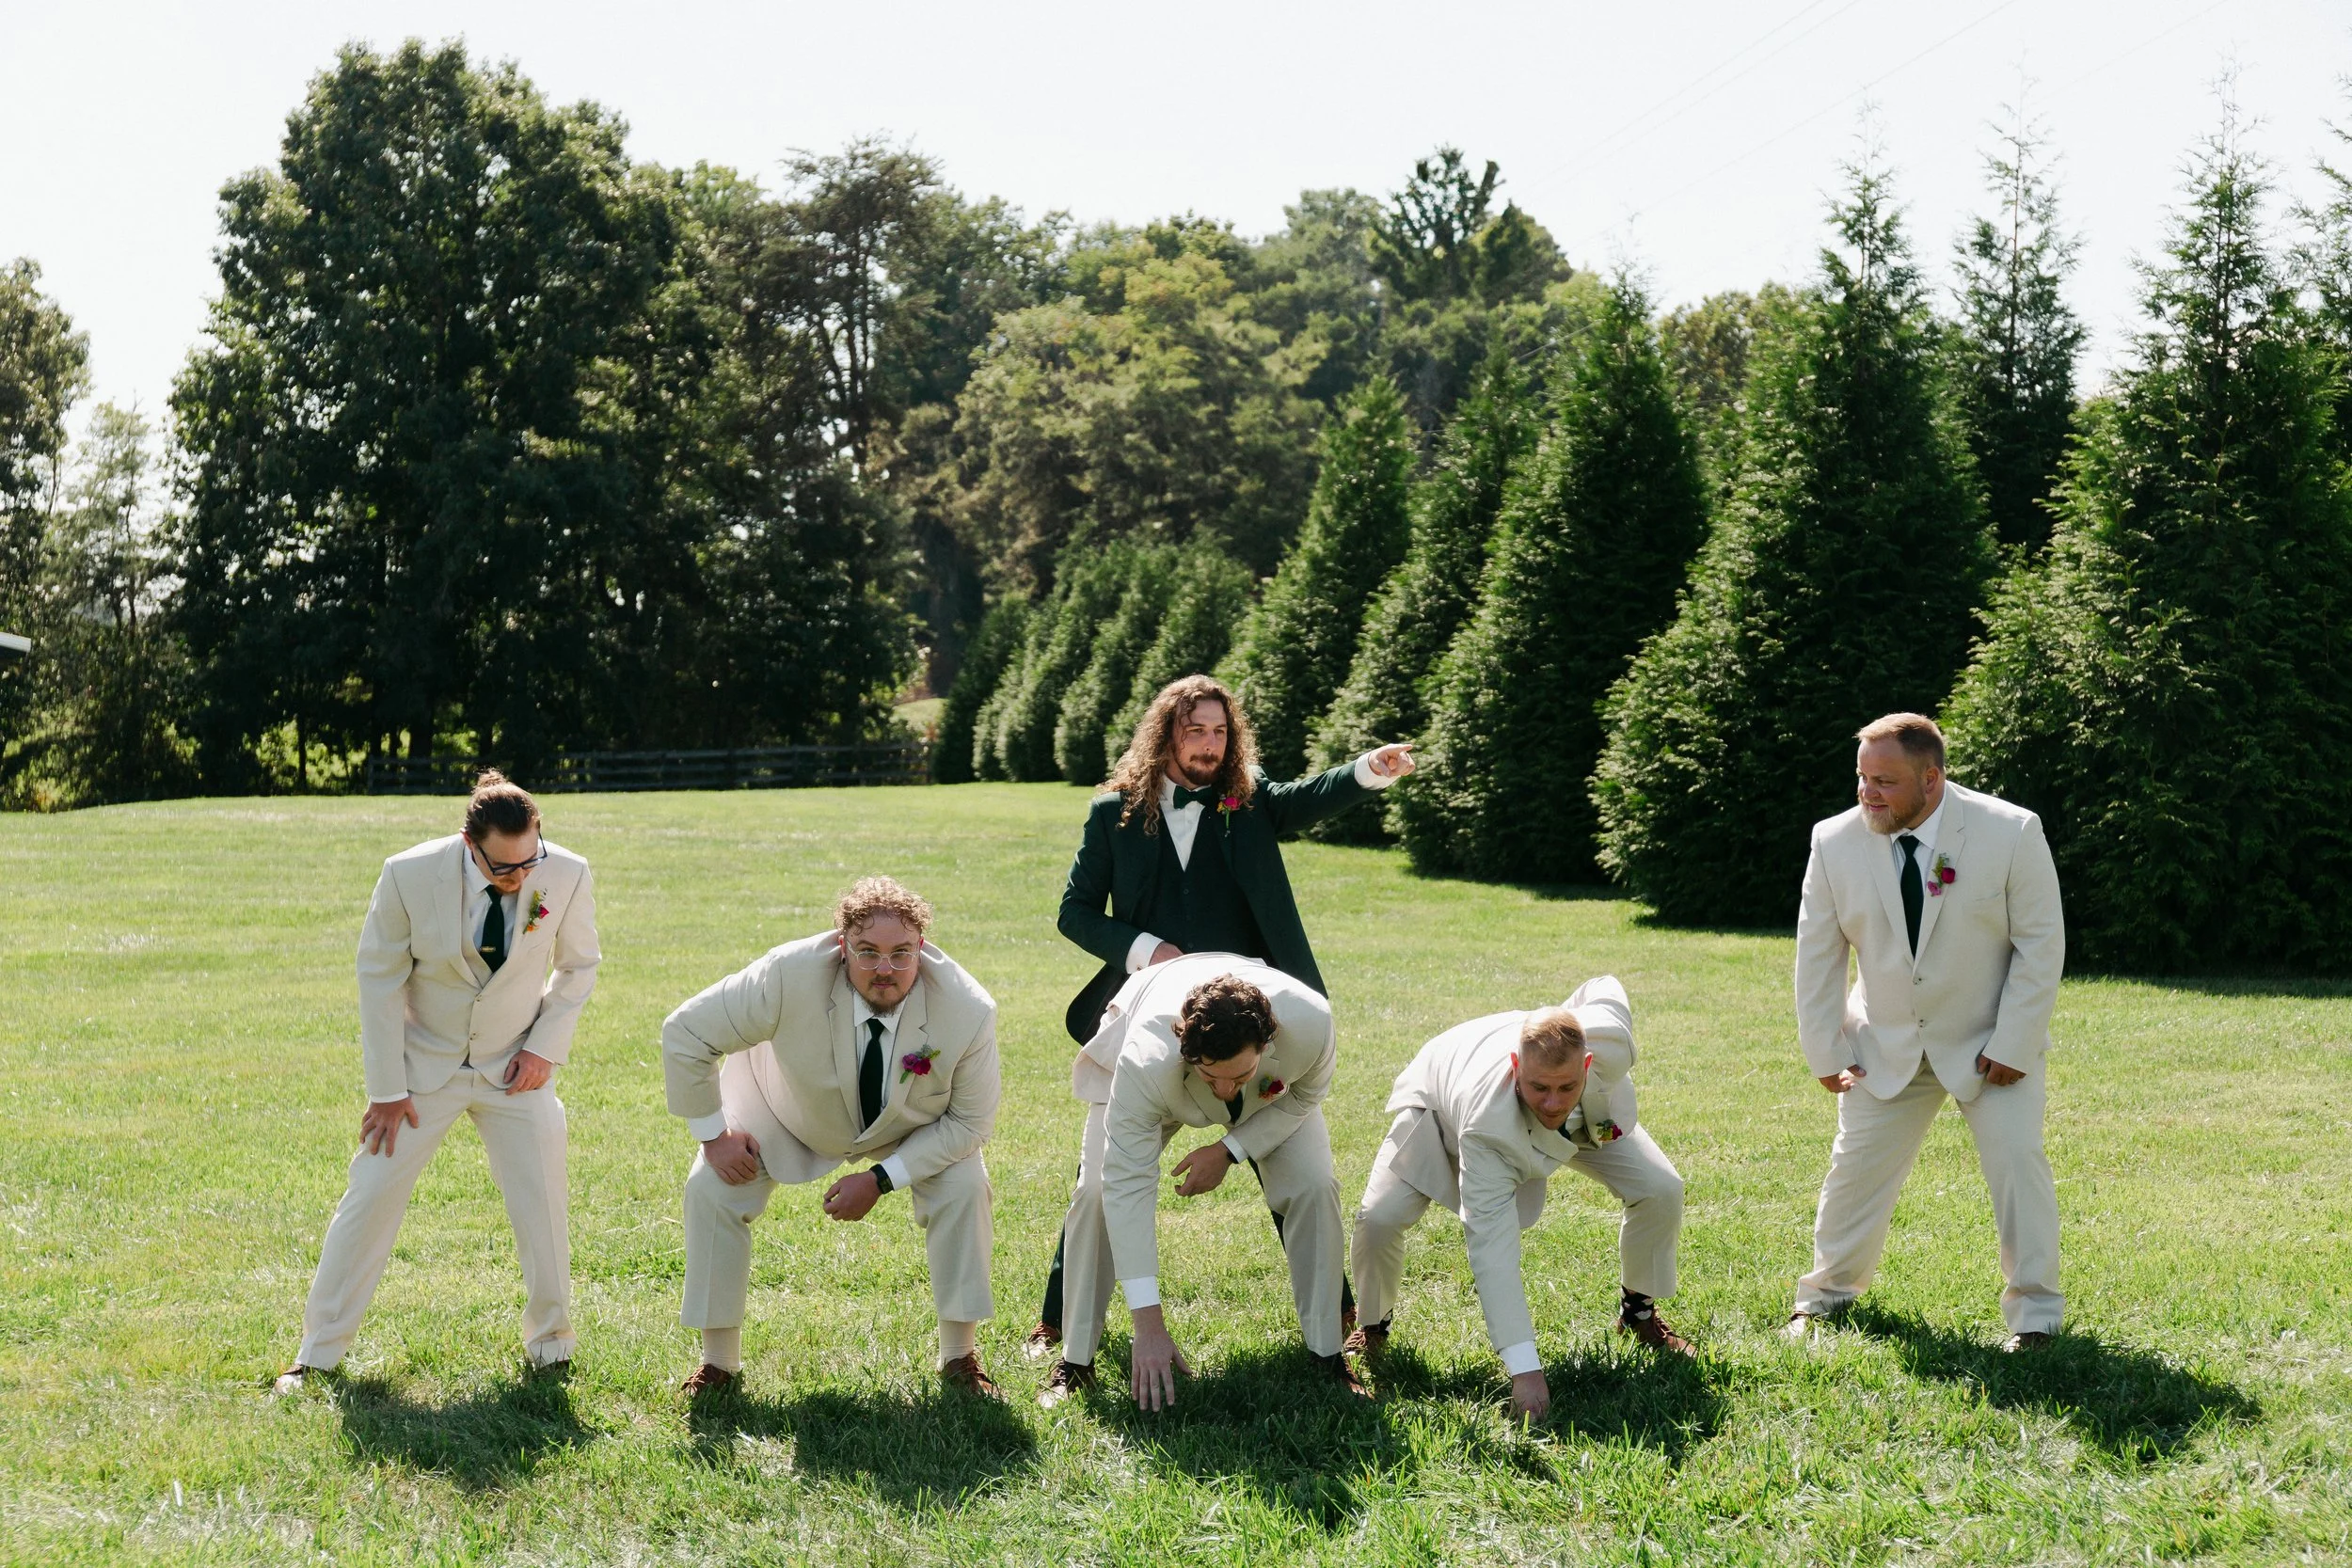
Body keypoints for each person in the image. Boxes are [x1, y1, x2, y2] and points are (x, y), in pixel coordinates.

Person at [1028, 673, 1414, 1355]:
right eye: (1194, 730)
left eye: (1218, 731)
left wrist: (1368, 770)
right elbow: (1074, 912)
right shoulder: (1112, 813)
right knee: (1106, 1176)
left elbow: (1308, 798)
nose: (1208, 745)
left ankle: (1336, 1319)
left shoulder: (1248, 797)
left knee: (1301, 1174)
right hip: (1151, 1017)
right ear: (1165, 734)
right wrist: (1146, 950)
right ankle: (1059, 1319)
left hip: (1253, 1017)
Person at [275, 771, 600, 1393]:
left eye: (530, 859)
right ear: (469, 843)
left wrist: (544, 1048)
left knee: (543, 1204)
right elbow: (379, 979)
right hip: (422, 1071)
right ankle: (315, 1355)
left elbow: (579, 965)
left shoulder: (567, 872)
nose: (521, 876)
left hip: (516, 1068)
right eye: (505, 867)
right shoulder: (407, 874)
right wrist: (387, 1090)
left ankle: (552, 1347)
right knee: (368, 1197)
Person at [1787, 713, 2066, 1351]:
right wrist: (1826, 1048)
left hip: (1990, 1044)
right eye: (1862, 778)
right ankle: (1821, 1302)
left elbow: (2040, 945)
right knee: (1853, 1174)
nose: (1868, 793)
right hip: (1882, 1042)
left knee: (2018, 1166)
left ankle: (2036, 1319)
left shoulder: (2012, 831)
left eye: (1884, 782)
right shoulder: (1833, 840)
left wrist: (2014, 1042)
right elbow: (1818, 953)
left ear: (1932, 779)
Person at [662, 877, 1002, 1397]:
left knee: (965, 1186)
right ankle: (718, 1363)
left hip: (908, 1129)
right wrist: (713, 1136)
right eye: (867, 952)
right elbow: (686, 1031)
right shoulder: (786, 974)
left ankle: (960, 1356)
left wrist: (881, 1179)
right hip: (781, 1109)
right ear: (842, 946)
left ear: (923, 948)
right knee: (711, 1188)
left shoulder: (968, 1009)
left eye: (901, 953)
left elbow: (970, 1123)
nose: (884, 969)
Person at [1349, 976, 1690, 1422]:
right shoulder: (1485, 1123)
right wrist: (1525, 1370)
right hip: (1440, 1107)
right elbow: (1492, 1244)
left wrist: (1559, 1021)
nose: (1552, 1103)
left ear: (1588, 1063)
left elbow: (1603, 986)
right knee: (1380, 1218)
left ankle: (1638, 1314)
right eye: (1539, 1087)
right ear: (1516, 1066)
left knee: (1661, 1188)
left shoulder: (1611, 1039)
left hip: (1582, 1120)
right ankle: (1372, 1324)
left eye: (1566, 1086)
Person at [1038, 955, 1362, 1409]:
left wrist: (1229, 1149)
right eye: (1212, 1076)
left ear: (1268, 1042)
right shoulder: (1146, 1060)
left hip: (1268, 1093)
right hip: (1152, 1045)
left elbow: (1305, 1097)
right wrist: (1148, 1325)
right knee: (1095, 1194)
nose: (1226, 1090)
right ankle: (1075, 1362)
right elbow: (1126, 1185)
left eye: (1240, 1076)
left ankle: (1327, 1355)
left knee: (1315, 1184)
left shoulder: (1311, 1023)